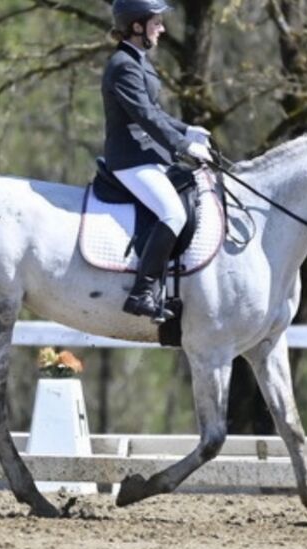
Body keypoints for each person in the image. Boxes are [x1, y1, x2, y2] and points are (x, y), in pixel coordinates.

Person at [103, 0, 213, 322]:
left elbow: (156, 113)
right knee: (173, 213)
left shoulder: (138, 61)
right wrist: (182, 146)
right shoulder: (123, 65)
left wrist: (188, 130)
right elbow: (146, 116)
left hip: (146, 155)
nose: (162, 29)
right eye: (156, 23)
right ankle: (141, 292)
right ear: (137, 26)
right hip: (129, 159)